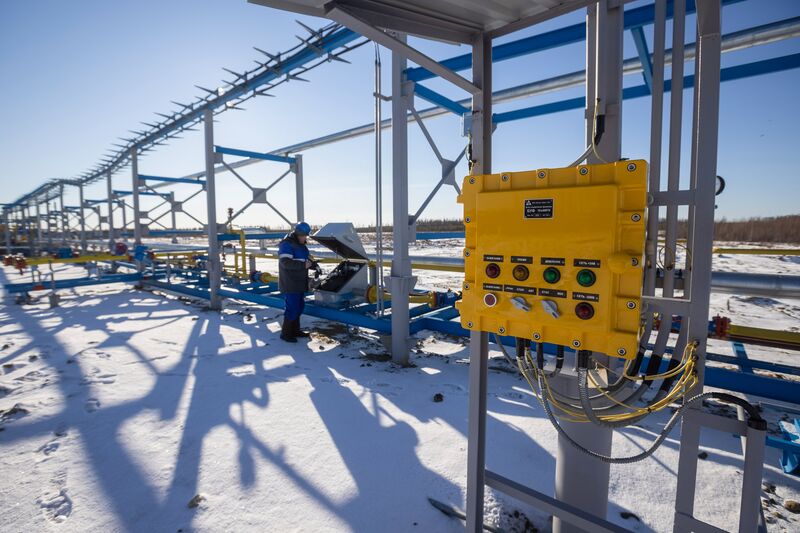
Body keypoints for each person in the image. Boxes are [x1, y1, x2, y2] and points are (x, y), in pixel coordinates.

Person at [278, 221, 316, 342]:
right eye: (302, 235)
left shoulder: (301, 245)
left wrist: (313, 265)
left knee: (300, 306)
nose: (304, 238)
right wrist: (303, 265)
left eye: (306, 235)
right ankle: (286, 333)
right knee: (292, 307)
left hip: (300, 281)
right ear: (297, 233)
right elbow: (285, 263)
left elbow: (305, 259)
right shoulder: (287, 244)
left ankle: (296, 330)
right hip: (290, 281)